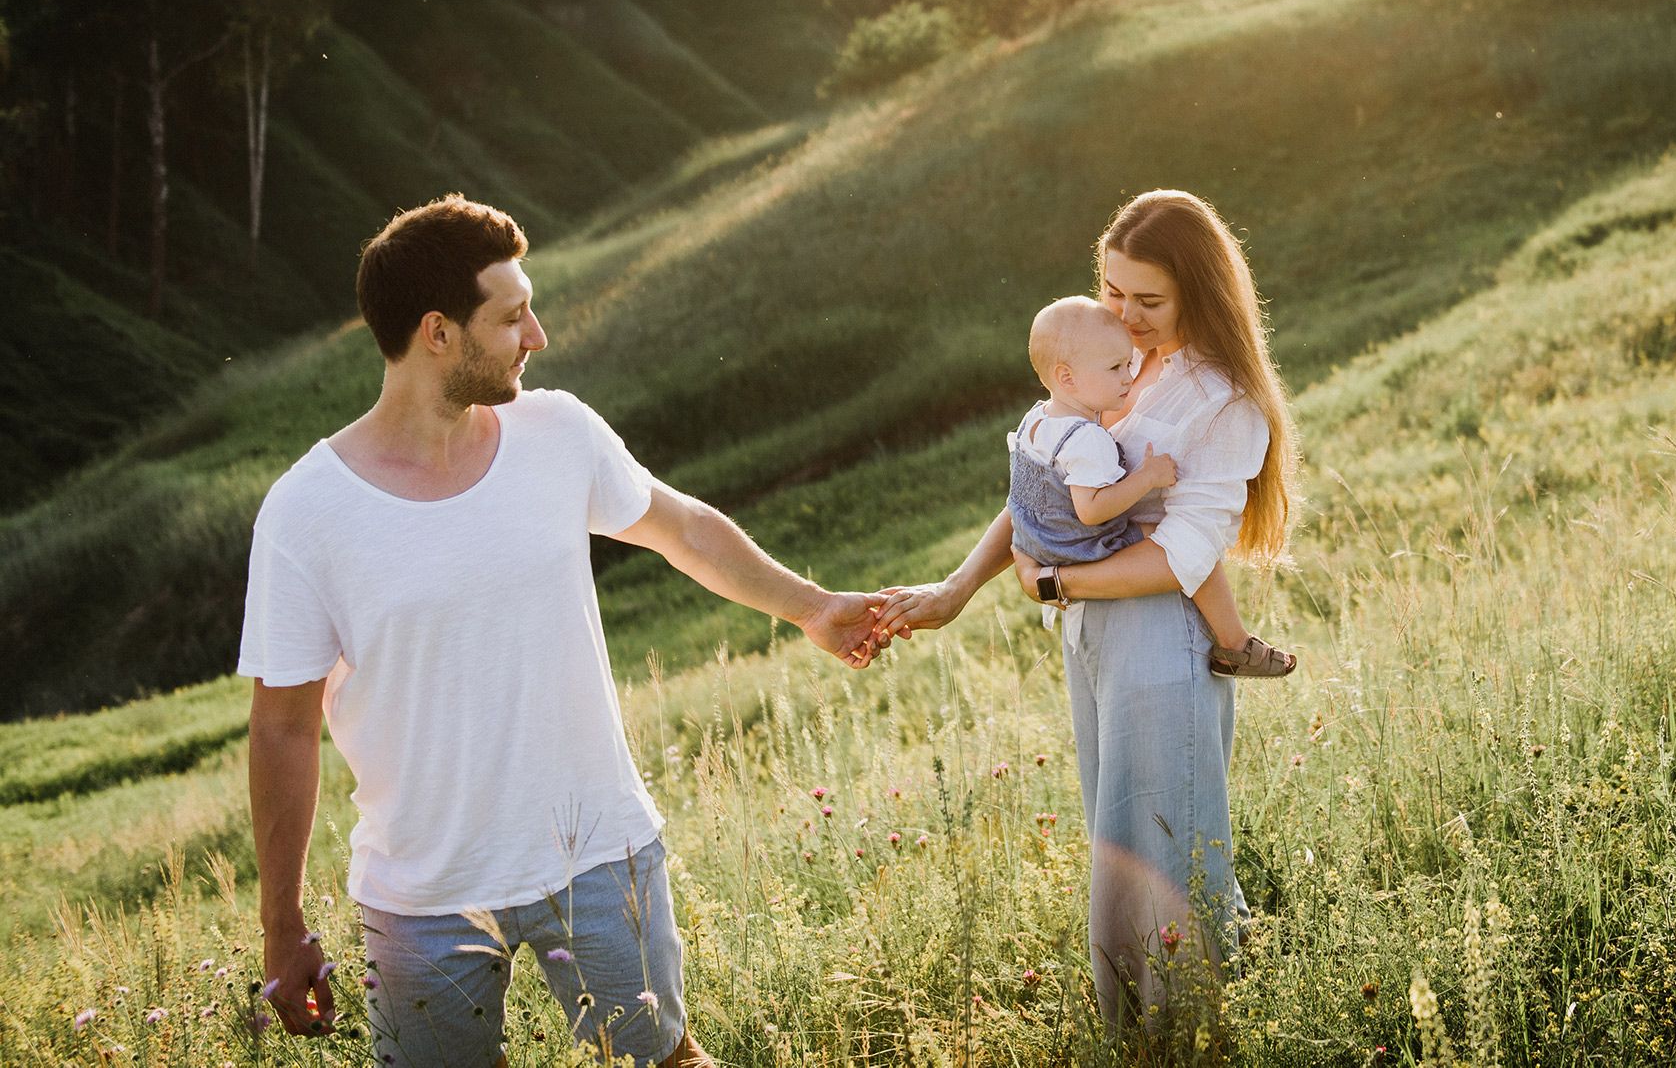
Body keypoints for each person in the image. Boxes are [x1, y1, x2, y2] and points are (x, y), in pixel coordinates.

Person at [240, 194, 888, 1068]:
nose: (537, 334)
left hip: (598, 854)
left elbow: (683, 527)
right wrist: (282, 925)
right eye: (511, 317)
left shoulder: (557, 432)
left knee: (664, 1059)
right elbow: (283, 726)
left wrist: (810, 606)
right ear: (437, 332)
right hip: (421, 891)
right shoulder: (306, 512)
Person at [877, 189, 1299, 1030]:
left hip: (1157, 638)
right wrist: (955, 591)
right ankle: (1176, 1022)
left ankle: (1180, 1035)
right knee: (1130, 841)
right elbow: (1046, 492)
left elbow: (1181, 556)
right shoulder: (1111, 364)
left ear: (1199, 293)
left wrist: (1054, 584)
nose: (1125, 316)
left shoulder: (1222, 402)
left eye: (1149, 300)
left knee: (1157, 847)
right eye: (1113, 292)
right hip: (1095, 639)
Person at [1011, 295, 1294, 677]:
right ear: (1067, 377)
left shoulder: (1037, 420)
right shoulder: (1086, 439)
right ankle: (1235, 643)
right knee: (1183, 544)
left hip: (1036, 542)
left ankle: (1235, 643)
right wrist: (1147, 478)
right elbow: (1092, 510)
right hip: (1077, 544)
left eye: (1128, 364)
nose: (1128, 377)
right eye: (1115, 368)